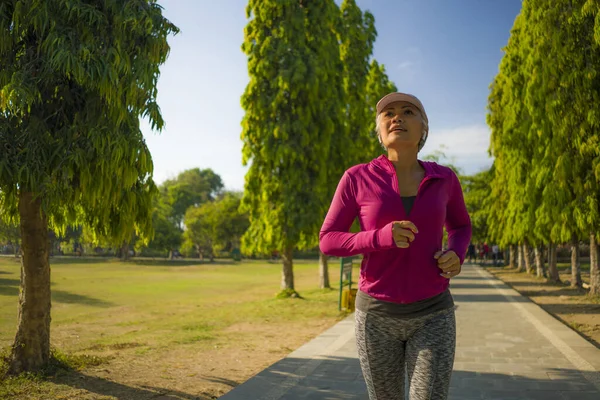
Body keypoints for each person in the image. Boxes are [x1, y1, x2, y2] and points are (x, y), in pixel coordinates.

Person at [320, 92, 472, 400]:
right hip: (375, 316)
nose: (397, 117)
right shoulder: (356, 178)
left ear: (423, 129)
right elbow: (328, 239)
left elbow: (460, 225)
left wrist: (456, 253)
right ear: (379, 129)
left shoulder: (445, 179)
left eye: (408, 111)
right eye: (388, 113)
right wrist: (379, 237)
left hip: (434, 313)